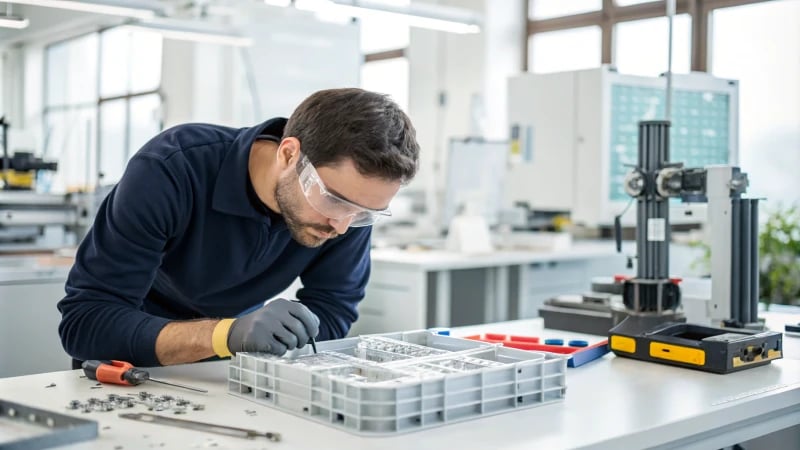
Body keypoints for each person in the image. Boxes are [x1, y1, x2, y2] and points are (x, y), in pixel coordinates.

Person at [58, 88, 420, 367]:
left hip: (237, 370)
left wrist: (285, 339)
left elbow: (333, 309)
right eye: (334, 200)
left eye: (365, 214)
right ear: (289, 154)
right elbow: (87, 323)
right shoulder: (172, 169)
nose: (342, 227)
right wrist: (225, 335)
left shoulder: (349, 209)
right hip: (130, 365)